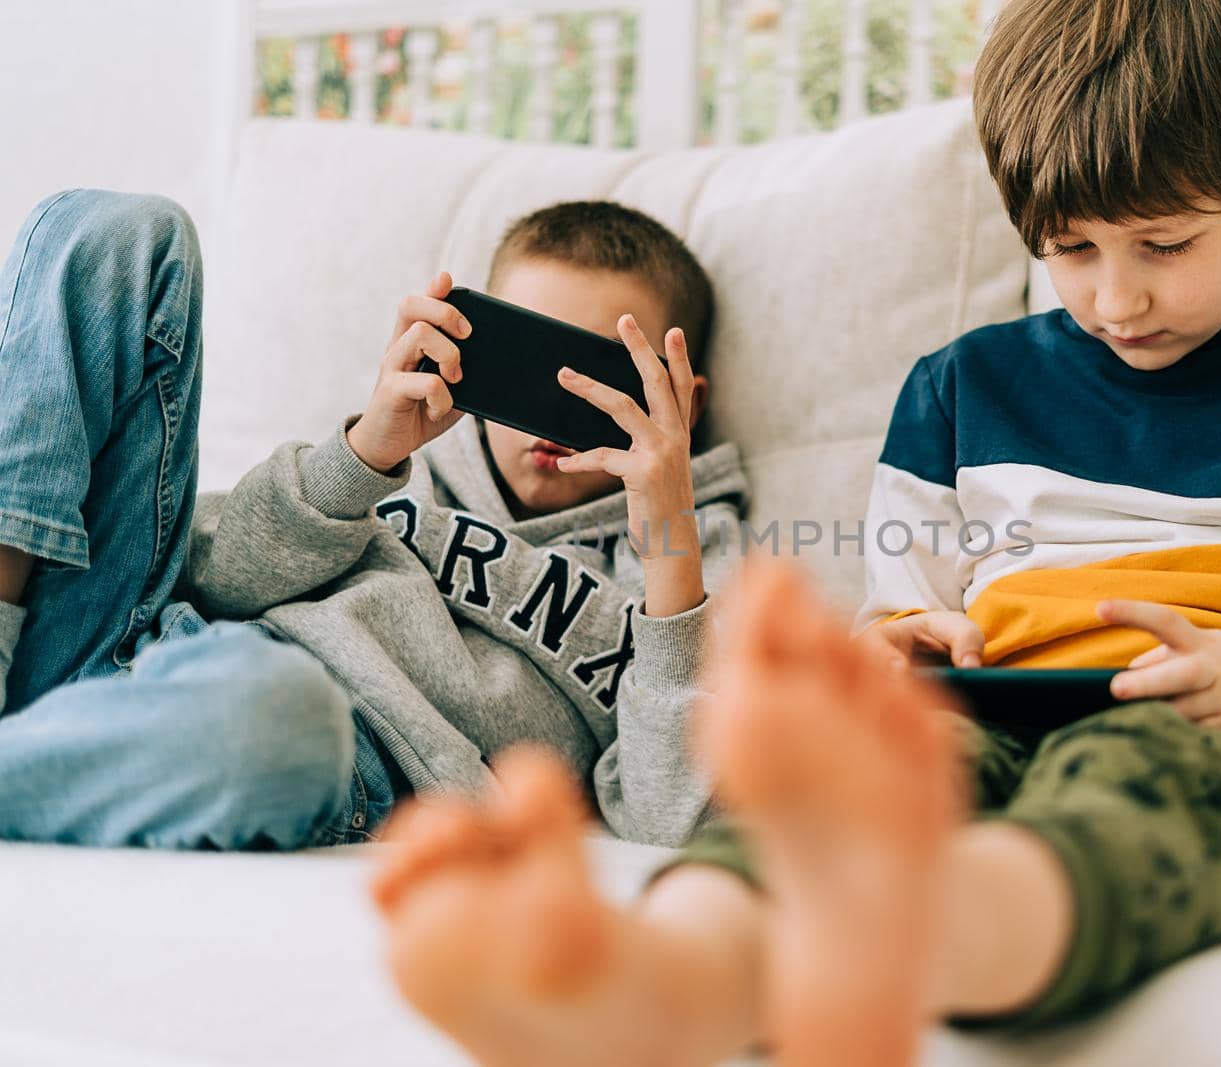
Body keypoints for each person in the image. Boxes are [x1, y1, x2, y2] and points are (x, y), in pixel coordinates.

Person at [368, 0, 1221, 1062]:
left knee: (1133, 788)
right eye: (1070, 249)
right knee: (867, 790)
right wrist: (896, 651)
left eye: (1162, 245)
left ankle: (899, 945)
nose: (1114, 299)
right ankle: (656, 979)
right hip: (988, 714)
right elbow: (904, 619)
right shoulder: (958, 393)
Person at [0, 193, 745, 849]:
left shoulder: (702, 565)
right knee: (121, 231)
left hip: (307, 740)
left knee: (275, 706)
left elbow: (669, 816)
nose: (557, 408)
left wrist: (667, 536)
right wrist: (361, 456)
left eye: (600, 377)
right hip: (142, 633)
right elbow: (214, 574)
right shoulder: (412, 466)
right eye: (536, 364)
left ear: (688, 402)